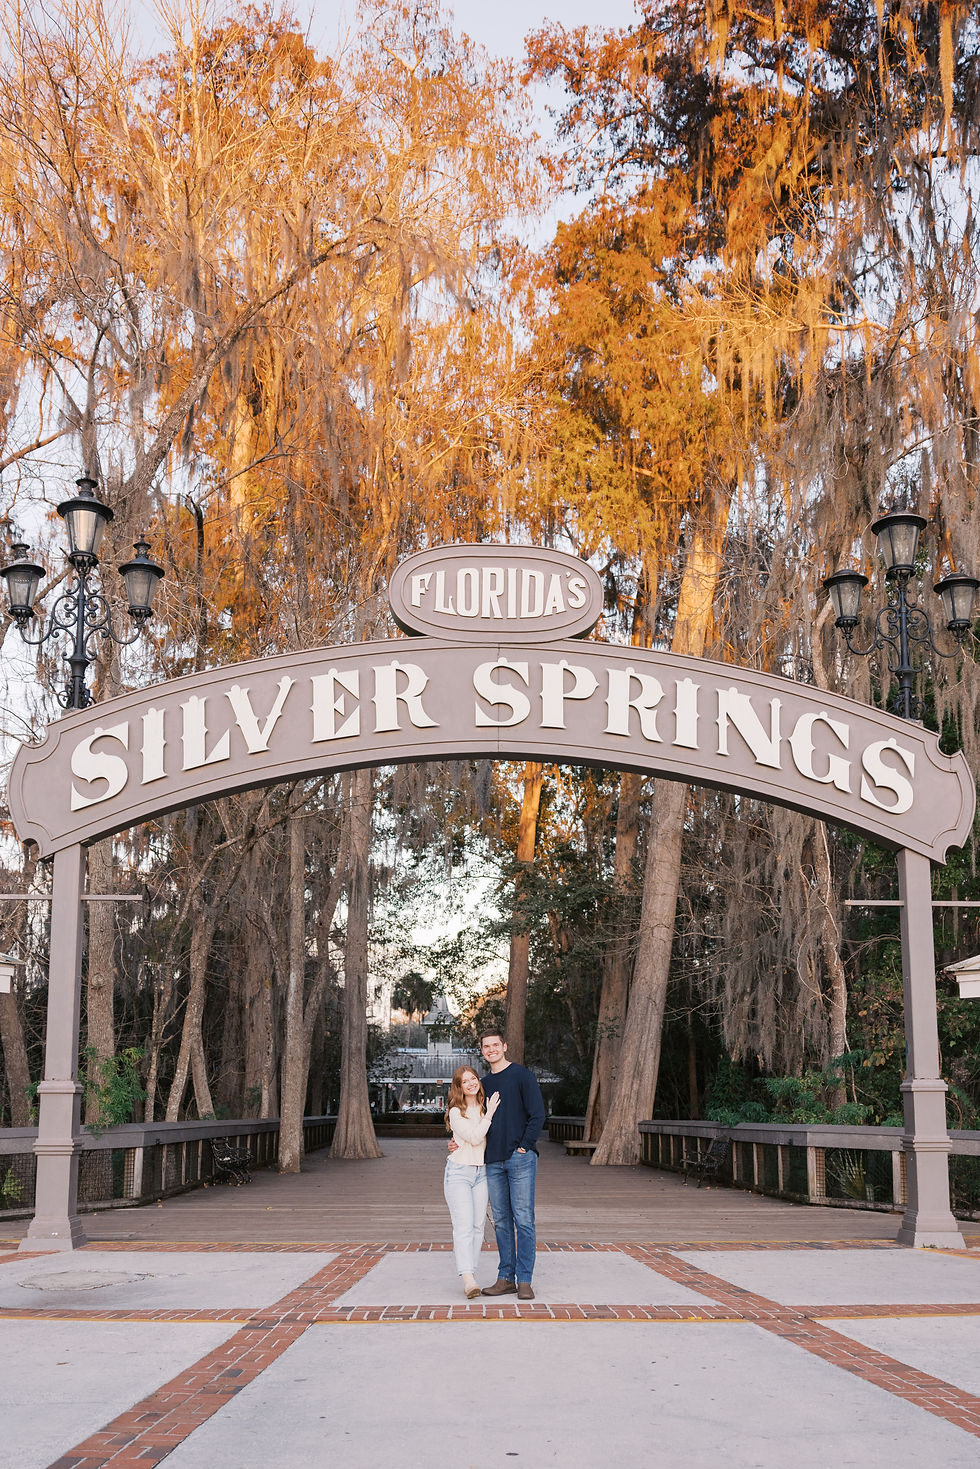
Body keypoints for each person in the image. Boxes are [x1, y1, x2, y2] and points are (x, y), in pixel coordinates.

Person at [475, 1029, 546, 1301]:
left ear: (504, 1046)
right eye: (486, 1046)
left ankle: (525, 1280)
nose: (491, 1049)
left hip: (520, 1159)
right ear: (482, 1050)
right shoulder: (482, 1084)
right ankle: (506, 1277)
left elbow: (538, 1114)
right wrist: (457, 1142)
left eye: (495, 1044)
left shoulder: (522, 1076)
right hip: (492, 1160)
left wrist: (524, 1146)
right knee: (502, 1222)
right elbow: (475, 1120)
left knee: (524, 1219)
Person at [444, 1065, 500, 1299]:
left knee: (478, 1226)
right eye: (464, 1081)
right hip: (459, 1173)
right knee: (464, 1226)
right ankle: (467, 1279)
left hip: (482, 1173)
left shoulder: (487, 1104)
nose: (470, 1083)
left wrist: (488, 1112)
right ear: (458, 1087)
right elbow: (476, 1138)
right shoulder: (457, 1111)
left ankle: (472, 1275)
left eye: (473, 1078)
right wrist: (489, 1115)